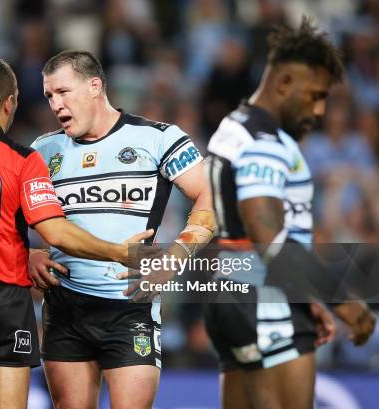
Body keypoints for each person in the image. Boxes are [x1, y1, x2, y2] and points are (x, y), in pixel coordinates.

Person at [0, 57, 152, 409]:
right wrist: (117, 252)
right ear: (11, 101)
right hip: (3, 305)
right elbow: (55, 232)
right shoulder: (23, 159)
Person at [203, 17, 376, 409]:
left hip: (235, 291)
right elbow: (270, 238)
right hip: (267, 298)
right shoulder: (265, 142)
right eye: (314, 95)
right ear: (283, 83)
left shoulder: (234, 125)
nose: (318, 110)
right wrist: (344, 304)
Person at [29, 50, 215, 409]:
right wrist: (26, 254)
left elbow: (210, 194)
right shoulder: (42, 150)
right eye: (50, 95)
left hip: (130, 303)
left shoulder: (157, 138)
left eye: (64, 92)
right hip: (65, 305)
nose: (55, 104)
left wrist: (175, 258)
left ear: (95, 86)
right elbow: (8, 219)